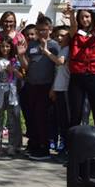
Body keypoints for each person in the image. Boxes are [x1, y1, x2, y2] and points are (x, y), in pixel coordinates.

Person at [19, 16, 59, 160]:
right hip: (32, 85)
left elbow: (58, 68)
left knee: (43, 118)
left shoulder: (54, 45)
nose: (41, 32)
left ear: (50, 29)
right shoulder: (32, 45)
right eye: (39, 30)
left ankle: (44, 148)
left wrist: (54, 88)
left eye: (44, 30)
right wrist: (21, 55)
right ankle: (34, 145)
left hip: (46, 86)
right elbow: (27, 66)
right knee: (32, 117)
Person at [64, 1, 95, 127]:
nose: (84, 19)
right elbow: (73, 26)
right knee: (75, 112)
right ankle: (73, 138)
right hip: (77, 75)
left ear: (92, 17)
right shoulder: (75, 32)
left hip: (94, 75)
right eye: (82, 17)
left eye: (87, 16)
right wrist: (72, 13)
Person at [0, 37, 23, 155]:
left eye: (7, 46)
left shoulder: (15, 60)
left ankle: (11, 145)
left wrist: (12, 70)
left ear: (11, 48)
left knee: (11, 119)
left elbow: (21, 76)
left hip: (11, 92)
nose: (5, 49)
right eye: (2, 46)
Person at [49, 26, 71, 157]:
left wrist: (46, 52)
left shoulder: (67, 49)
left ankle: (67, 146)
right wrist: (53, 88)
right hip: (59, 88)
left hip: (66, 88)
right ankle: (62, 144)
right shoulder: (62, 49)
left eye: (63, 35)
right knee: (61, 119)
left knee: (66, 119)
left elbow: (60, 62)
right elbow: (58, 72)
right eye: (57, 35)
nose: (59, 38)